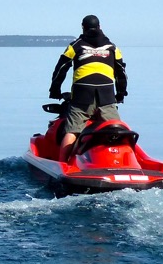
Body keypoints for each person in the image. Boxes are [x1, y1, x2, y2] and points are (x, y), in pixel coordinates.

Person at [48, 14, 127, 161]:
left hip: (82, 96)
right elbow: (121, 72)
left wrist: (54, 91)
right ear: (100, 27)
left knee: (72, 131)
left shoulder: (75, 46)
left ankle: (63, 164)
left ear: (83, 27)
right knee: (115, 128)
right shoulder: (113, 48)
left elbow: (60, 69)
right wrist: (121, 94)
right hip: (107, 95)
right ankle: (120, 162)